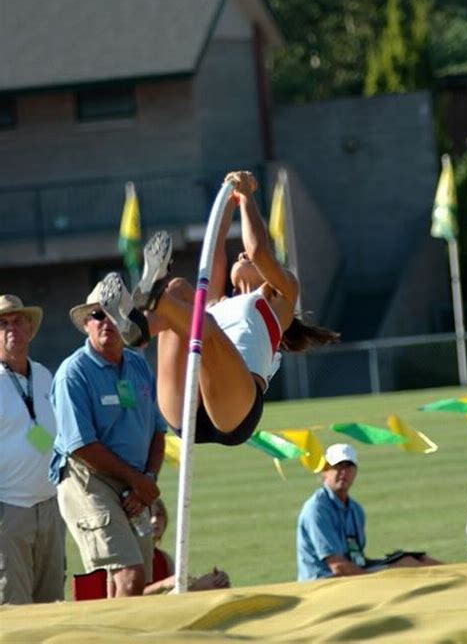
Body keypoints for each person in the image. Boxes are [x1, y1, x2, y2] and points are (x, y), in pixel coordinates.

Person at [97, 170, 339, 446]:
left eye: (245, 255)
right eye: (241, 254)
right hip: (184, 405)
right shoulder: (216, 302)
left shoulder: (279, 299)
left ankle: (154, 297)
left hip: (235, 412)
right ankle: (139, 327)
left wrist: (247, 196)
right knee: (180, 290)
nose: (242, 253)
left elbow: (259, 250)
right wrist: (228, 198)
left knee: (204, 326)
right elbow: (215, 246)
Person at [49, 279, 168, 597]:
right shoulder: (73, 373)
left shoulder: (138, 366)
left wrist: (147, 479)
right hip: (88, 479)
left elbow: (158, 430)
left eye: (113, 313)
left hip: (135, 480)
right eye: (97, 315)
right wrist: (138, 481)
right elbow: (81, 445)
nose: (106, 321)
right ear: (86, 324)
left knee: (135, 579)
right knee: (128, 574)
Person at [0, 294, 65, 605]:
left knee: (51, 602)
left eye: (17, 321)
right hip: (9, 509)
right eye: (3, 324)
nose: (11, 328)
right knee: (14, 606)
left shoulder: (43, 375)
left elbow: (41, 434)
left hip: (50, 506)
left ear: (30, 328)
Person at [296, 443, 441, 580]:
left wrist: (394, 561)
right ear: (324, 471)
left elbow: (357, 559)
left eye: (349, 466)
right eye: (337, 466)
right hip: (324, 582)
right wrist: (376, 581)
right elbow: (338, 566)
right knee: (408, 566)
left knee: (420, 561)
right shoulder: (317, 509)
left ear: (355, 471)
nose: (343, 472)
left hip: (349, 576)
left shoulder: (355, 509)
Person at [143, 498, 230, 594]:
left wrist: (216, 578)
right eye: (149, 515)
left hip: (166, 605)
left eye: (159, 515)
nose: (155, 520)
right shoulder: (132, 558)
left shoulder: (164, 558)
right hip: (145, 607)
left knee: (214, 583)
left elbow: (178, 585)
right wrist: (162, 584)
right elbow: (127, 596)